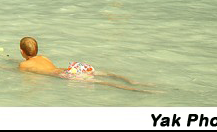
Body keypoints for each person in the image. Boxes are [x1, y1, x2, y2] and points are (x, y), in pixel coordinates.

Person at [17, 37, 149, 92]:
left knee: (102, 83)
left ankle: (133, 89)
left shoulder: (23, 65)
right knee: (105, 74)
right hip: (73, 68)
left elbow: (27, 76)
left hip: (65, 74)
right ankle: (131, 81)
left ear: (22, 51)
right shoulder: (43, 57)